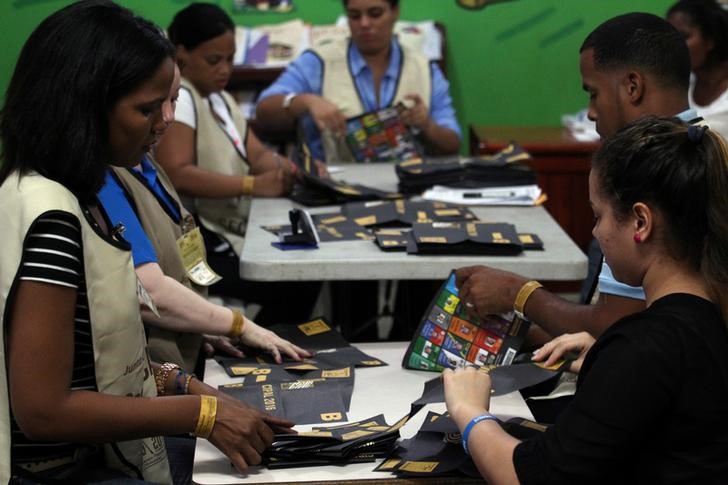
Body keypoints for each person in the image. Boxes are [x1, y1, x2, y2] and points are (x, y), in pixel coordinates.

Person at [0, 2, 293, 482]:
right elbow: (44, 410)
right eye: (146, 108)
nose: (163, 122)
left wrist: (189, 386)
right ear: (86, 102)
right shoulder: (52, 219)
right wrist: (198, 415)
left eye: (168, 103)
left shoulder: (79, 192)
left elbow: (98, 360)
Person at [444, 116, 728, 483]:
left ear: (641, 222)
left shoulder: (644, 348)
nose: (595, 232)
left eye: (599, 216)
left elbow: (531, 477)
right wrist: (605, 356)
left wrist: (469, 412)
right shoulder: (704, 322)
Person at [456, 13, 697, 340]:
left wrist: (517, 293)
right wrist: (514, 331)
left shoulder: (648, 170)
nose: (591, 112)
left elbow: (613, 327)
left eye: (593, 93)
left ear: (633, 87)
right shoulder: (706, 147)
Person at [99, 61, 311, 373]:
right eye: (152, 107)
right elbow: (149, 293)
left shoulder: (145, 163)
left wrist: (201, 324)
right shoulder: (106, 180)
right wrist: (237, 325)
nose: (168, 118)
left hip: (181, 350)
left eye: (174, 101)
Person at [156, 2, 321, 325]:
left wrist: (299, 171)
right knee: (298, 279)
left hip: (226, 233)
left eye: (230, 60)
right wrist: (252, 185)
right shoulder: (184, 99)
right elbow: (177, 173)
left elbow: (257, 155)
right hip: (199, 246)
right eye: (214, 60)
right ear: (181, 53)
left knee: (303, 268)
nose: (225, 70)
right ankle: (262, 348)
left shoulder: (220, 99)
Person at [255, 0, 461, 162]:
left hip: (408, 185)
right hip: (335, 188)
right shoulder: (319, 62)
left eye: (375, 13)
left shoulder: (423, 68)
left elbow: (453, 144)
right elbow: (264, 110)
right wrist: (305, 101)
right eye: (354, 16)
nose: (364, 24)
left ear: (395, 12)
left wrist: (427, 125)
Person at [668, 0, 728, 139]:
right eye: (670, 36)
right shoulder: (678, 84)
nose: (674, 45)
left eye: (683, 36)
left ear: (709, 40)